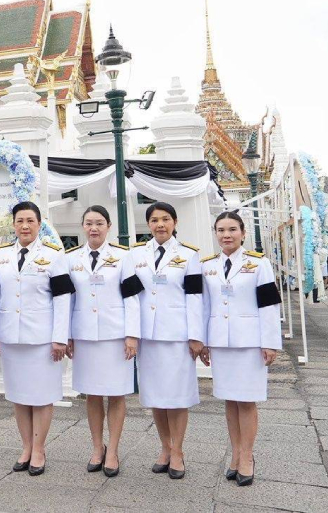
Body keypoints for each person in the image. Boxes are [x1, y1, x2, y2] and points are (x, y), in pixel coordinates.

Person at [197, 211, 282, 487]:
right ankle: (234, 454)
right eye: (221, 230)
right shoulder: (208, 265)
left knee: (246, 400)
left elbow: (269, 304)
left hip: (249, 342)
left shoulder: (259, 264)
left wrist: (270, 342)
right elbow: (205, 307)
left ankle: (247, 456)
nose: (226, 235)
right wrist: (204, 341)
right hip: (220, 342)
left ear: (243, 233)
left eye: (232, 229)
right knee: (230, 400)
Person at [0, 202, 70, 476]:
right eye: (20, 221)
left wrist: (60, 337)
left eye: (30, 221)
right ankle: (25, 447)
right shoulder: (0, 256)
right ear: (13, 224)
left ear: (39, 224)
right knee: (19, 396)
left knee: (42, 395)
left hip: (42, 339)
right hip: (11, 337)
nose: (25, 226)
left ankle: (39, 449)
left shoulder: (54, 255)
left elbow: (62, 298)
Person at [127, 202, 204, 480]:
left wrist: (196, 336)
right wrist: (132, 333)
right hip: (148, 336)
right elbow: (131, 297)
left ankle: (179, 451)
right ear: (148, 224)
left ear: (175, 222)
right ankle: (165, 448)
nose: (160, 225)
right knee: (156, 397)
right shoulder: (135, 254)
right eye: (155, 220)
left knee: (177, 396)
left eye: (166, 219)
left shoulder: (189, 255)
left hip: (177, 336)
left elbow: (195, 297)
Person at [63, 204, 141, 478]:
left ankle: (115, 450)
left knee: (116, 393)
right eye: (88, 223)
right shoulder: (71, 258)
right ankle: (97, 448)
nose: (93, 228)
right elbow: (67, 300)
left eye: (99, 223)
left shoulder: (123, 257)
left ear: (108, 226)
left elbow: (132, 298)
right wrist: (67, 335)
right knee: (92, 394)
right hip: (85, 335)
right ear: (82, 227)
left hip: (115, 336)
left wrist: (132, 334)